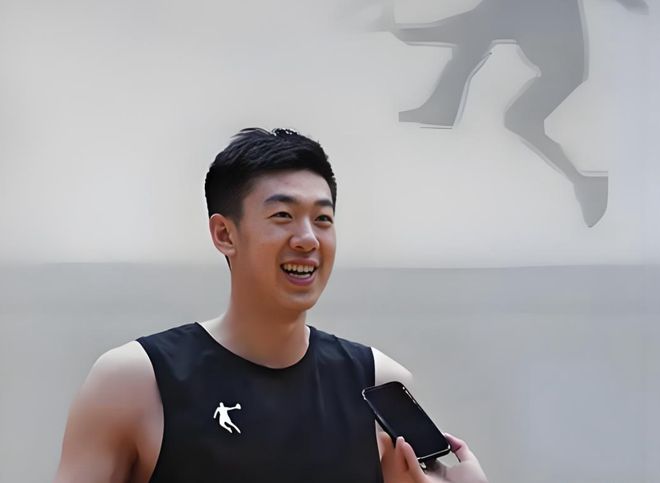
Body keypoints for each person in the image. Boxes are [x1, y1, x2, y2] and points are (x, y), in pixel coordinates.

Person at [53, 127, 488, 483]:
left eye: (323, 219)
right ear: (225, 234)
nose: (308, 239)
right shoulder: (136, 382)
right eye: (283, 216)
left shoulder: (377, 383)